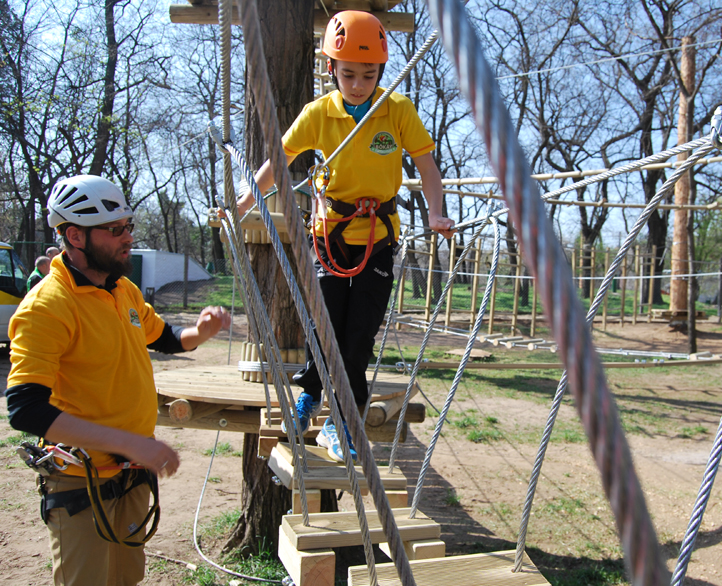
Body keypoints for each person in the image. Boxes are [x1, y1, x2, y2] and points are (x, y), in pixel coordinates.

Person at [235, 10, 455, 462]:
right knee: (326, 323)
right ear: (331, 69)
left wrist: (437, 212)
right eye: (349, 73)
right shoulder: (320, 113)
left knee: (359, 332)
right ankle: (309, 395)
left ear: (381, 71)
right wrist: (241, 203)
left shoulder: (396, 110)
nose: (358, 84)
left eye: (368, 74)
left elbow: (428, 168)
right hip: (330, 234)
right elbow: (278, 161)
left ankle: (342, 420)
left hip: (379, 235)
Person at [5, 174, 231, 586]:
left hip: (131, 474)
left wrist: (201, 332)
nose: (127, 237)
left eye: (128, 226)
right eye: (114, 230)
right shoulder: (47, 306)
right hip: (81, 482)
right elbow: (26, 408)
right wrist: (131, 442)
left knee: (126, 579)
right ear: (74, 235)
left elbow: (163, 337)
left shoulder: (122, 290)